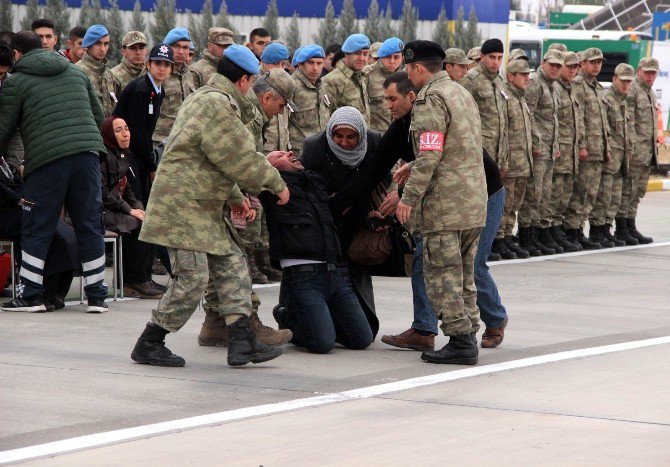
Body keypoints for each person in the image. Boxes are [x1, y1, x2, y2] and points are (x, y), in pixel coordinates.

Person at [130, 44, 290, 368]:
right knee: (192, 279)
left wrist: (235, 199)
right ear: (244, 81)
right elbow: (240, 158)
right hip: (183, 204)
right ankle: (150, 342)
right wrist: (277, 183)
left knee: (232, 266)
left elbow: (215, 161)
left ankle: (242, 342)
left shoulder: (205, 99)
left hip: (201, 203)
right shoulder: (217, 105)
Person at [0, 31, 108, 313]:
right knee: (89, 223)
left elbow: (4, 129)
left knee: (37, 225)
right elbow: (99, 116)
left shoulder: (17, 82)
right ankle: (97, 296)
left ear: (16, 54)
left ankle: (31, 295)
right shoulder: (76, 73)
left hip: (47, 161)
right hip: (87, 157)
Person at [396, 40, 487, 365]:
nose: (408, 74)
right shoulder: (460, 92)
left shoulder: (430, 98)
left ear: (419, 68)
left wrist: (409, 197)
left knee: (442, 273)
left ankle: (460, 340)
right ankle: (469, 333)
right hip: (473, 201)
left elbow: (431, 151)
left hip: (446, 207)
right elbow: (459, 145)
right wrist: (413, 164)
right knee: (463, 274)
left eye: (409, 68)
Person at [261, 152, 373, 354]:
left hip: (334, 273)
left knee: (362, 339)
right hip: (302, 277)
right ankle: (285, 314)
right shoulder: (270, 190)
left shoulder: (315, 182)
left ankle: (320, 319)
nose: (290, 153)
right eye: (280, 155)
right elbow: (248, 173)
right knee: (322, 344)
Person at [300, 107, 382, 340]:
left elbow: (380, 177)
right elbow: (308, 183)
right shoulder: (315, 146)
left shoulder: (375, 142)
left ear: (361, 136)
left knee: (355, 270)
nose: (344, 143)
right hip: (326, 219)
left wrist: (358, 208)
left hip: (360, 215)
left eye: (351, 137)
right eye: (338, 136)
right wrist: (333, 202)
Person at [100, 117, 162, 298]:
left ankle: (144, 276)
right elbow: (104, 195)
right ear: (110, 134)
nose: (125, 133)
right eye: (118, 130)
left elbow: (128, 190)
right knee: (136, 223)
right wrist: (129, 210)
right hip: (99, 211)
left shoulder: (123, 155)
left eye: (126, 128)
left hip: (114, 208)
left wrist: (139, 208)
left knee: (147, 220)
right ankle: (134, 280)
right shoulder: (103, 157)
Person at [517, 49, 564, 256]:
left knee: (544, 194)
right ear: (543, 62)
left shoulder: (552, 86)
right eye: (552, 64)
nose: (555, 69)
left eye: (558, 66)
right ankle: (526, 237)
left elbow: (552, 119)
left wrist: (555, 145)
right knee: (533, 193)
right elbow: (529, 114)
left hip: (549, 148)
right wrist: (535, 141)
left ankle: (535, 236)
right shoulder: (535, 82)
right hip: (538, 149)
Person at [563, 48, 610, 250]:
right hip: (586, 150)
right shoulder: (578, 86)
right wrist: (581, 145)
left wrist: (606, 147)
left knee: (590, 193)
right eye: (593, 62)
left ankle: (579, 228)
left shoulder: (598, 88)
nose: (597, 66)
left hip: (598, 149)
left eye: (599, 62)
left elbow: (602, 123)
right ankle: (571, 231)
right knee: (580, 192)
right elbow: (578, 119)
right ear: (583, 64)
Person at [590, 63, 635, 246]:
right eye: (622, 81)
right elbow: (604, 130)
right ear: (614, 79)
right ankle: (597, 231)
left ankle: (607, 229)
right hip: (609, 158)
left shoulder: (623, 101)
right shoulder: (607, 99)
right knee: (603, 196)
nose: (625, 85)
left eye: (629, 82)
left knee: (615, 197)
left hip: (621, 159)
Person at [617, 57, 659, 245]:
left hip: (647, 152)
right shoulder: (633, 90)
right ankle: (622, 228)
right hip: (635, 151)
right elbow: (630, 122)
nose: (650, 76)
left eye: (653, 73)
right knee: (628, 190)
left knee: (638, 192)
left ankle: (631, 225)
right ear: (638, 70)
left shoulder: (650, 93)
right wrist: (630, 148)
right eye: (647, 72)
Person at [497, 58, 535, 259]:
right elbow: (502, 132)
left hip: (522, 163)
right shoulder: (505, 98)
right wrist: (503, 160)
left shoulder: (521, 98)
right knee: (505, 204)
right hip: (510, 163)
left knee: (514, 205)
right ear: (511, 76)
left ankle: (507, 237)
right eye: (523, 74)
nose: (527, 78)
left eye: (528, 74)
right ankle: (498, 240)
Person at [462, 39, 508, 193]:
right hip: (479, 150)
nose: (496, 62)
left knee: (494, 197)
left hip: (497, 151)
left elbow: (502, 120)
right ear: (482, 56)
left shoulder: (500, 81)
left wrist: (504, 157)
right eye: (492, 57)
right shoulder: (470, 80)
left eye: (500, 58)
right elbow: (461, 116)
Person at [550, 51, 584, 252]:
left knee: (563, 196)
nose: (573, 70)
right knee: (553, 196)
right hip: (558, 152)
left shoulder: (570, 89)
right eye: (569, 66)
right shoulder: (555, 89)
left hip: (570, 154)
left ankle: (557, 232)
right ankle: (548, 233)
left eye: (575, 67)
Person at [152, 27, 195, 147]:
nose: (181, 52)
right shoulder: (157, 72)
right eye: (176, 46)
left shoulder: (189, 74)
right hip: (159, 141)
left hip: (182, 140)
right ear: (167, 47)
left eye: (185, 47)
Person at [288, 45, 331, 153]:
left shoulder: (323, 85)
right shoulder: (290, 86)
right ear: (301, 64)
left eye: (319, 63)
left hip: (321, 149)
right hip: (299, 152)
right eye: (311, 63)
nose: (315, 68)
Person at [322, 34, 371, 124]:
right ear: (346, 53)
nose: (362, 58)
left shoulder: (360, 77)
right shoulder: (332, 81)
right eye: (357, 53)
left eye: (365, 54)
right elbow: (324, 119)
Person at [76, 24, 121, 118]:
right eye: (98, 43)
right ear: (88, 44)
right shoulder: (77, 72)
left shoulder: (109, 75)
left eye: (106, 44)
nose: (102, 49)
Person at [365, 37, 404, 132]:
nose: (392, 61)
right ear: (381, 56)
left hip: (397, 133)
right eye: (388, 57)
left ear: (402, 58)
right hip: (374, 134)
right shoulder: (366, 74)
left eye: (396, 57)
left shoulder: (406, 77)